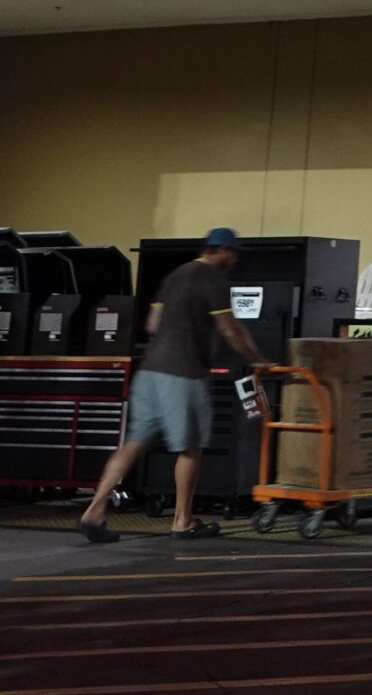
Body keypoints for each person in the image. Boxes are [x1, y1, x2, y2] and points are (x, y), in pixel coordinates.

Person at [78, 226, 270, 542]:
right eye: (234, 253)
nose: (235, 260)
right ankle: (183, 520)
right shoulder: (213, 279)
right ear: (223, 251)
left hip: (150, 371)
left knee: (133, 443)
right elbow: (231, 329)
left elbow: (152, 323)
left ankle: (94, 511)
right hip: (184, 373)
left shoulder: (175, 275)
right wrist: (258, 359)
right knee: (190, 447)